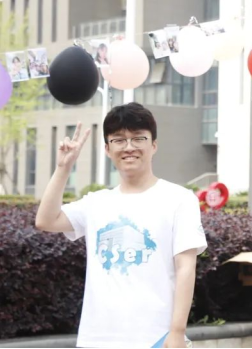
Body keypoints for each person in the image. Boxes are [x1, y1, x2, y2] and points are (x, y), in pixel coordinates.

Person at [35, 103, 207, 348]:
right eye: (119, 140)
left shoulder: (179, 199)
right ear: (107, 149)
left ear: (153, 145)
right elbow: (46, 220)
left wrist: (177, 331)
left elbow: (186, 268)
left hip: (155, 338)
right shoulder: (96, 202)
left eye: (138, 138)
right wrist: (64, 167)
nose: (129, 147)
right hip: (97, 338)